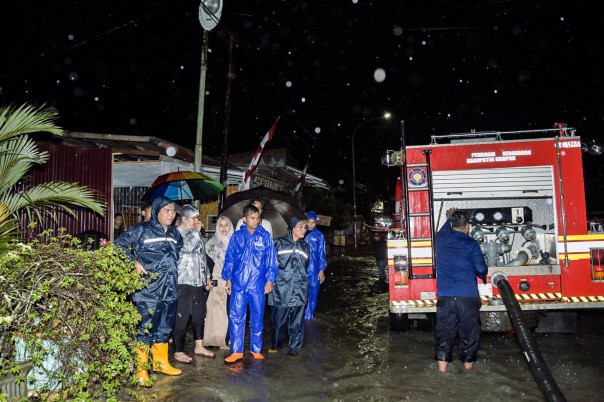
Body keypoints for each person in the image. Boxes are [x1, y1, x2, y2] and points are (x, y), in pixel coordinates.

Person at [114, 197, 183, 386]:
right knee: (145, 328)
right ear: (156, 211)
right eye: (167, 210)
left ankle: (161, 363)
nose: (171, 214)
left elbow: (177, 251)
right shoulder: (141, 230)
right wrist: (133, 262)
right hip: (148, 290)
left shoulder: (175, 233)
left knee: (164, 327)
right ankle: (141, 370)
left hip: (169, 288)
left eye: (173, 211)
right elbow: (117, 246)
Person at [222, 203, 278, 363]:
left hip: (258, 285)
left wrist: (269, 280)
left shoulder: (265, 236)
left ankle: (256, 349)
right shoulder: (237, 237)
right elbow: (230, 259)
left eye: (258, 218)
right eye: (252, 218)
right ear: (244, 219)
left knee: (257, 317)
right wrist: (228, 279)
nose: (256, 221)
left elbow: (271, 260)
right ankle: (236, 351)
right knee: (236, 317)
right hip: (239, 284)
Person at [434, 208, 488, 373]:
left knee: (444, 336)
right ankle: (468, 373)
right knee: (469, 337)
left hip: (446, 298)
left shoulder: (440, 239)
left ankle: (441, 375)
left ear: (451, 224)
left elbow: (443, 229)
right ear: (468, 226)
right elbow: (481, 269)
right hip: (467, 298)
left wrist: (448, 218)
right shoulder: (471, 243)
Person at [172, 205, 215, 363]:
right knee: (181, 318)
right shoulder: (176, 233)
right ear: (184, 219)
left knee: (199, 316)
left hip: (198, 282)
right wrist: (196, 232)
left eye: (198, 218)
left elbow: (203, 256)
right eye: (194, 218)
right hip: (183, 282)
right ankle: (178, 351)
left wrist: (208, 276)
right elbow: (188, 248)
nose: (198, 221)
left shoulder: (195, 235)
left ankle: (199, 346)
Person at [268, 216, 310, 356]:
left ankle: (294, 349)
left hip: (299, 290)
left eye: (304, 227)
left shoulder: (305, 246)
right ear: (292, 228)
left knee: (297, 323)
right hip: (281, 290)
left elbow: (306, 266)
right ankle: (277, 346)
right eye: (300, 227)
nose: (303, 230)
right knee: (279, 322)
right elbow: (271, 265)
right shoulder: (278, 243)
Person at [204, 215, 234, 350]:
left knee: (230, 311)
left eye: (226, 225)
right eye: (220, 225)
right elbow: (207, 264)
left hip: (233, 281)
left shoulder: (236, 242)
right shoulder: (211, 244)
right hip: (217, 280)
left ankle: (227, 338)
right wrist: (208, 278)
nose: (223, 228)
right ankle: (216, 339)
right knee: (216, 310)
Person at [303, 211, 327, 320]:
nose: (311, 225)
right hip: (302, 268)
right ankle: (300, 315)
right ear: (305, 222)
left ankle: (309, 315)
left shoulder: (319, 235)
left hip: (314, 268)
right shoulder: (301, 232)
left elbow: (322, 253)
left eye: (313, 222)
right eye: (309, 222)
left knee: (313, 292)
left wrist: (321, 270)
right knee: (302, 292)